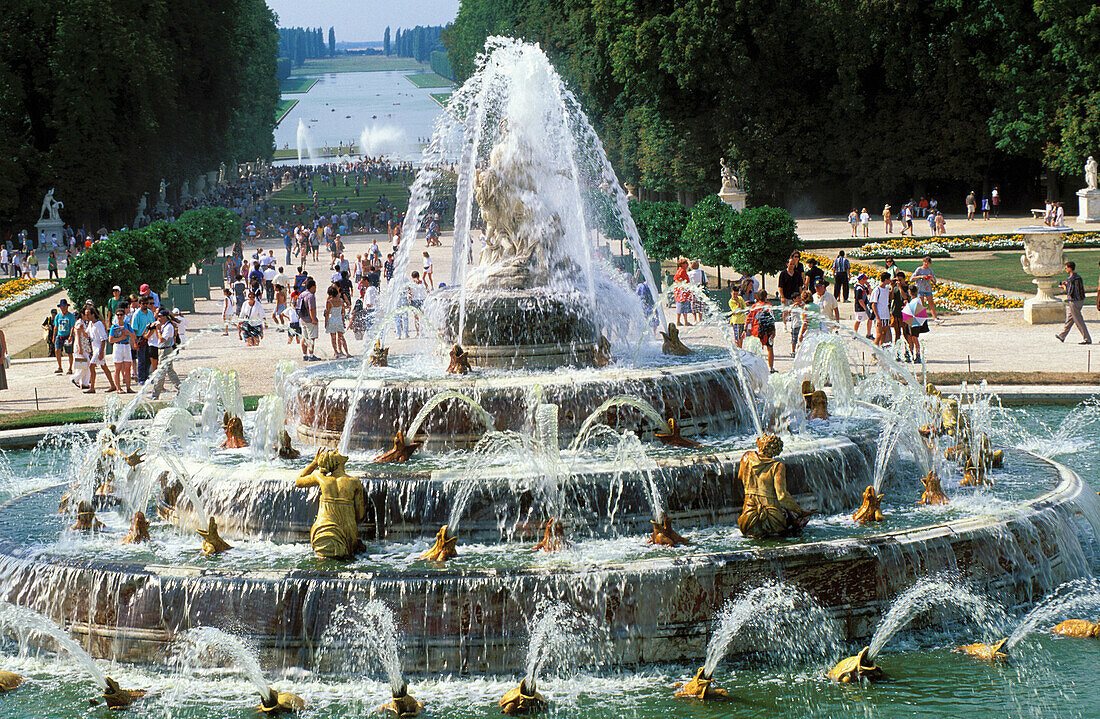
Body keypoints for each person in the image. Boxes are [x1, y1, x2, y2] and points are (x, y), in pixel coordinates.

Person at [1056, 261, 1091, 344]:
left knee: (1079, 321)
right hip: (1080, 300)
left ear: (1069, 268)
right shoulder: (1078, 277)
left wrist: (1064, 286)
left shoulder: (1071, 279)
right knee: (1069, 319)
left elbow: (1069, 292)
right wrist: (1067, 284)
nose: (1065, 270)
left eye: (1066, 268)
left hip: (1074, 302)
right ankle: (1062, 335)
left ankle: (1087, 339)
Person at [84, 307, 116, 394]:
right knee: (104, 366)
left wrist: (101, 352)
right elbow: (87, 334)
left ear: (93, 314)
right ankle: (112, 385)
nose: (86, 316)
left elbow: (103, 339)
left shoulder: (99, 324)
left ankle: (92, 387)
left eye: (88, 314)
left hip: (99, 348)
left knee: (91, 365)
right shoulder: (90, 324)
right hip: (95, 348)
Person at [747, 290, 775, 372]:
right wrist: (774, 331)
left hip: (756, 330)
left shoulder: (754, 306)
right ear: (766, 297)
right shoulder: (769, 306)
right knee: (770, 349)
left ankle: (756, 369)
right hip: (768, 331)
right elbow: (772, 319)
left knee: (756, 350)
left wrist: (747, 329)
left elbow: (749, 318)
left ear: (757, 297)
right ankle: (771, 368)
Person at [108, 306, 135, 393]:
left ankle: (128, 387)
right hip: (118, 346)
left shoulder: (127, 325)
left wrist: (129, 333)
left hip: (126, 346)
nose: (119, 316)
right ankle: (118, 388)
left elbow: (134, 336)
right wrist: (121, 338)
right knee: (118, 368)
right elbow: (110, 340)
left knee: (128, 368)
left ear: (124, 316)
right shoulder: (114, 327)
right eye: (118, 315)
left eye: (121, 315)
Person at [130, 297, 156, 383]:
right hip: (140, 338)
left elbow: (153, 325)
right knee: (141, 359)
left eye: (146, 303)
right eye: (143, 303)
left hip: (149, 338)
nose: (145, 305)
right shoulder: (137, 314)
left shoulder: (149, 313)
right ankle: (141, 378)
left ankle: (147, 376)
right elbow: (133, 329)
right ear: (140, 304)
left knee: (149, 359)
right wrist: (134, 342)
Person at [909, 255, 940, 321]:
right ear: (923, 262)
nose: (926, 264)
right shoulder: (919, 269)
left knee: (931, 303)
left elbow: (934, 280)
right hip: (920, 288)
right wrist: (920, 276)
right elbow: (911, 278)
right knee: (921, 304)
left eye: (928, 263)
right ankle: (922, 318)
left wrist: (931, 278)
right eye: (925, 262)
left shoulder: (929, 270)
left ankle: (935, 317)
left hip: (927, 288)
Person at [776, 254, 803, 326]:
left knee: (796, 312)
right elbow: (780, 286)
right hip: (786, 296)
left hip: (795, 297)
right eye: (790, 264)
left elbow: (800, 285)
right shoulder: (783, 274)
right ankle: (784, 325)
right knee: (785, 311)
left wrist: (801, 295)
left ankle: (794, 325)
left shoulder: (797, 273)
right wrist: (782, 296)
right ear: (787, 264)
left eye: (793, 264)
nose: (792, 266)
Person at [904, 286, 928, 364]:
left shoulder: (916, 300)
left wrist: (906, 306)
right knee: (912, 338)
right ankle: (912, 354)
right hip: (914, 320)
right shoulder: (916, 300)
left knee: (914, 338)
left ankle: (917, 355)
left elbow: (914, 309)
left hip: (914, 321)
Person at [324, 285, 349, 357]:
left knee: (333, 337)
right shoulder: (341, 300)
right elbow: (343, 311)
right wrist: (343, 320)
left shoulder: (329, 302)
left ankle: (336, 352)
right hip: (339, 319)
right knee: (341, 336)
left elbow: (327, 313)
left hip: (332, 319)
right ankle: (347, 352)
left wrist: (326, 323)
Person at [298, 279, 319, 360]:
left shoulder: (301, 294)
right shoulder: (311, 296)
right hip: (309, 320)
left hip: (302, 319)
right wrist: (313, 319)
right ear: (313, 287)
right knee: (311, 338)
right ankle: (311, 355)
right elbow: (311, 309)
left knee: (304, 337)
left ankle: (304, 355)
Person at [868, 273, 892, 346]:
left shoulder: (887, 289)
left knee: (883, 334)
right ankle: (874, 352)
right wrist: (877, 317)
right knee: (878, 335)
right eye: (889, 279)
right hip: (879, 315)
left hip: (886, 315)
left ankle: (881, 351)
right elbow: (873, 304)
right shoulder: (877, 290)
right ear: (886, 280)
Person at [53, 299, 75, 375]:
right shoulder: (58, 316)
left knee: (69, 352)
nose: (64, 308)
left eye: (65, 306)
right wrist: (54, 336)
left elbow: (72, 327)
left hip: (67, 335)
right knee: (57, 350)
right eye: (62, 306)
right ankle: (59, 367)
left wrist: (71, 336)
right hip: (60, 335)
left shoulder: (71, 316)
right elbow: (56, 326)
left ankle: (70, 368)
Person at [729, 279, 750, 348]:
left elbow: (744, 308)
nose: (735, 296)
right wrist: (738, 303)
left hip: (742, 320)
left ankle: (739, 348)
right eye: (734, 294)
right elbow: (737, 310)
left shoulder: (740, 298)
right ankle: (739, 349)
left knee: (741, 336)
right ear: (731, 293)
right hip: (736, 321)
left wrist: (741, 307)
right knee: (737, 337)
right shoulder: (731, 301)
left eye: (736, 294)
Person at [672, 258, 692, 326]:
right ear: (682, 264)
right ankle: (685, 321)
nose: (687, 264)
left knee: (680, 305)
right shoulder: (682, 270)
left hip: (679, 290)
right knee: (684, 305)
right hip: (682, 291)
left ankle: (679, 321)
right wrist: (683, 285)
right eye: (686, 263)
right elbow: (677, 279)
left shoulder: (680, 270)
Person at [853, 273, 872, 339]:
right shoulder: (858, 288)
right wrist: (865, 308)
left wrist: (868, 285)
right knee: (858, 320)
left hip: (865, 307)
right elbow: (859, 299)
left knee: (870, 318)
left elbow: (870, 293)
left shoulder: (863, 287)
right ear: (861, 280)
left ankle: (868, 333)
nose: (866, 281)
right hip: (860, 308)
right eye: (865, 280)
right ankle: (854, 334)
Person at [890, 272, 908, 343]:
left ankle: (908, 350)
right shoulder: (895, 287)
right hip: (896, 312)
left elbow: (905, 297)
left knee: (906, 333)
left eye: (900, 280)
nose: (899, 282)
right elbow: (891, 298)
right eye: (897, 280)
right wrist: (892, 287)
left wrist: (900, 287)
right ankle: (897, 351)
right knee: (897, 333)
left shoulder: (907, 287)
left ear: (904, 279)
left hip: (905, 313)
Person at [789, 290, 805, 356]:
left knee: (801, 339)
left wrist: (801, 305)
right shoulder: (792, 306)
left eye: (800, 298)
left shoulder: (803, 305)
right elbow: (788, 311)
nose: (800, 299)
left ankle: (799, 351)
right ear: (794, 299)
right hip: (795, 325)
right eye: (798, 298)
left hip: (801, 324)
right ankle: (793, 351)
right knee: (794, 339)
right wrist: (794, 305)